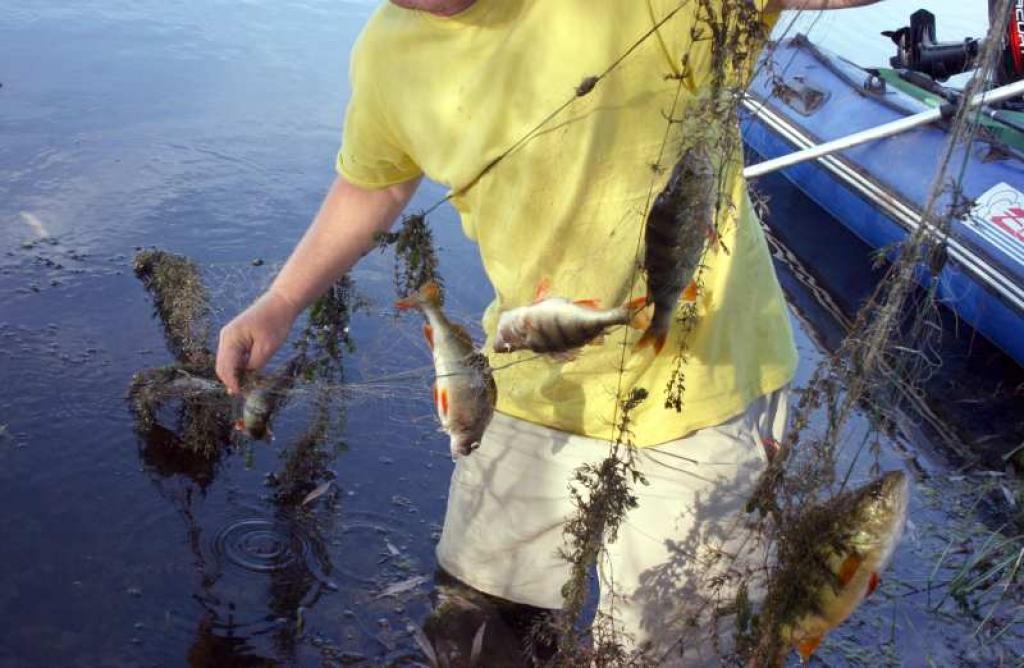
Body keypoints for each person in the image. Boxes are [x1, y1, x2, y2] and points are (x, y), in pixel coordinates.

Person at [216, 0, 884, 663]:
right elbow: (375, 186)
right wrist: (279, 300)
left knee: (667, 651)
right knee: (475, 635)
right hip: (530, 382)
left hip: (706, 392)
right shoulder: (387, 52)